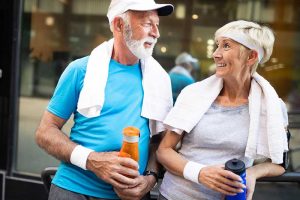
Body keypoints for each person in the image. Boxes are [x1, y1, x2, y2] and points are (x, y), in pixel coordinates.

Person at [35, 0, 174, 199]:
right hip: (74, 190)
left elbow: (159, 141)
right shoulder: (80, 70)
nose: (156, 33)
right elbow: (45, 132)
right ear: (119, 25)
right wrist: (92, 160)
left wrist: (149, 179)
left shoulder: (160, 79)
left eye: (157, 24)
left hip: (132, 195)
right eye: (146, 24)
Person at [156, 20, 289, 200]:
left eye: (226, 46)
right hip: (175, 195)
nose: (215, 54)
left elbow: (280, 163)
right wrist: (200, 173)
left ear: (251, 57)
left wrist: (253, 172)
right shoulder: (193, 94)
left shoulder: (271, 106)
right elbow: (164, 151)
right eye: (218, 45)